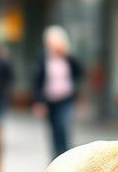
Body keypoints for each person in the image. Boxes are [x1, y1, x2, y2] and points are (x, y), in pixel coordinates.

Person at [32, 26, 83, 159]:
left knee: (63, 126)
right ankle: (56, 158)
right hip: (49, 100)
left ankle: (66, 156)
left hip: (65, 98)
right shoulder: (43, 57)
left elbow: (80, 72)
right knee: (54, 130)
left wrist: (67, 55)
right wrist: (38, 102)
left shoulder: (67, 58)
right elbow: (37, 80)